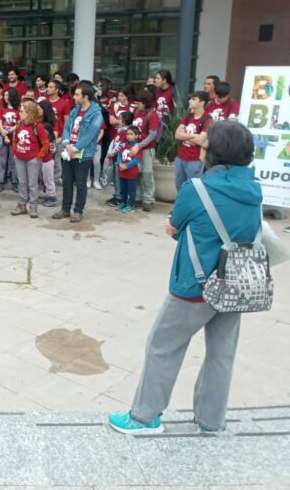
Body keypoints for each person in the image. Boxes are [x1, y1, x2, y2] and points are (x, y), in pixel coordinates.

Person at [108, 121, 262, 435]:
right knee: (222, 354)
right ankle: (210, 420)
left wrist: (173, 229)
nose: (200, 149)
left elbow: (176, 225)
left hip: (196, 284)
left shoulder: (198, 188)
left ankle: (144, 417)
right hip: (236, 283)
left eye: (205, 145)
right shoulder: (254, 189)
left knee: (162, 345)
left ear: (214, 154)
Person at [53, 81, 103, 223]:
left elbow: (90, 135)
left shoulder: (96, 114)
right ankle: (65, 209)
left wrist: (75, 148)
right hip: (68, 152)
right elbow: (67, 127)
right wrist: (67, 143)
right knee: (67, 181)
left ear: (86, 97)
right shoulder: (75, 110)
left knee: (80, 184)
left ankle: (78, 210)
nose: (74, 97)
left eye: (77, 94)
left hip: (83, 154)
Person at [10, 100, 49, 218]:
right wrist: (16, 151)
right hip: (20, 158)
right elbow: (16, 140)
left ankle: (33, 207)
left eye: (22, 111)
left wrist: (38, 156)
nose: (19, 113)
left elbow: (45, 144)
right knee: (22, 182)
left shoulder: (38, 126)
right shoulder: (19, 124)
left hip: (33, 159)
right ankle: (22, 205)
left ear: (29, 112)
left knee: (32, 184)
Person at [175, 91, 212, 190]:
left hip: (195, 159)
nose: (189, 101)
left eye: (193, 99)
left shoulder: (207, 119)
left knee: (193, 188)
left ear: (202, 103)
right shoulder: (188, 116)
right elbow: (177, 135)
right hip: (181, 157)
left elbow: (201, 140)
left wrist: (185, 135)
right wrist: (195, 135)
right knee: (179, 187)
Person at [131, 88, 160, 212]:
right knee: (135, 173)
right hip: (136, 148)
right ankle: (138, 197)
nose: (136, 105)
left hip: (146, 149)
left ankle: (148, 199)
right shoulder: (137, 113)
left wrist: (139, 145)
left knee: (147, 174)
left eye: (138, 103)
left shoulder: (152, 115)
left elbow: (152, 134)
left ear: (145, 102)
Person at [104, 111, 134, 208]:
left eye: (120, 119)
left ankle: (120, 197)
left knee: (118, 179)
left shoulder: (125, 132)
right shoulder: (120, 131)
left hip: (119, 159)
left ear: (125, 121)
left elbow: (120, 145)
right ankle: (117, 195)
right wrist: (109, 154)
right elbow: (114, 142)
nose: (118, 120)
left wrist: (113, 153)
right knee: (115, 178)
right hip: (115, 158)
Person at [0, 87, 21, 192]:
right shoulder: (2, 106)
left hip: (15, 137)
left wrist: (11, 129)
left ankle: (15, 180)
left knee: (13, 160)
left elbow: (20, 121)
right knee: (2, 160)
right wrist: (3, 131)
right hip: (3, 136)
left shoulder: (19, 108)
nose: (5, 97)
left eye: (7, 95)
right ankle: (1, 180)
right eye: (4, 95)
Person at [115, 127, 142, 214]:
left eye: (131, 134)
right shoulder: (124, 144)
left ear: (137, 135)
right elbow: (119, 154)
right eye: (127, 134)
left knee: (131, 190)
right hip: (122, 171)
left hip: (131, 173)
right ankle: (123, 202)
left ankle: (131, 205)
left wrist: (126, 166)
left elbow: (137, 160)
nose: (128, 136)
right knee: (123, 189)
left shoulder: (137, 147)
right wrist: (119, 163)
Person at [38, 100, 59, 208]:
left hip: (47, 158)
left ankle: (52, 197)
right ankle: (48, 195)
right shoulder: (44, 124)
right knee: (45, 178)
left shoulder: (46, 126)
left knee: (48, 179)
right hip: (45, 157)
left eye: (39, 108)